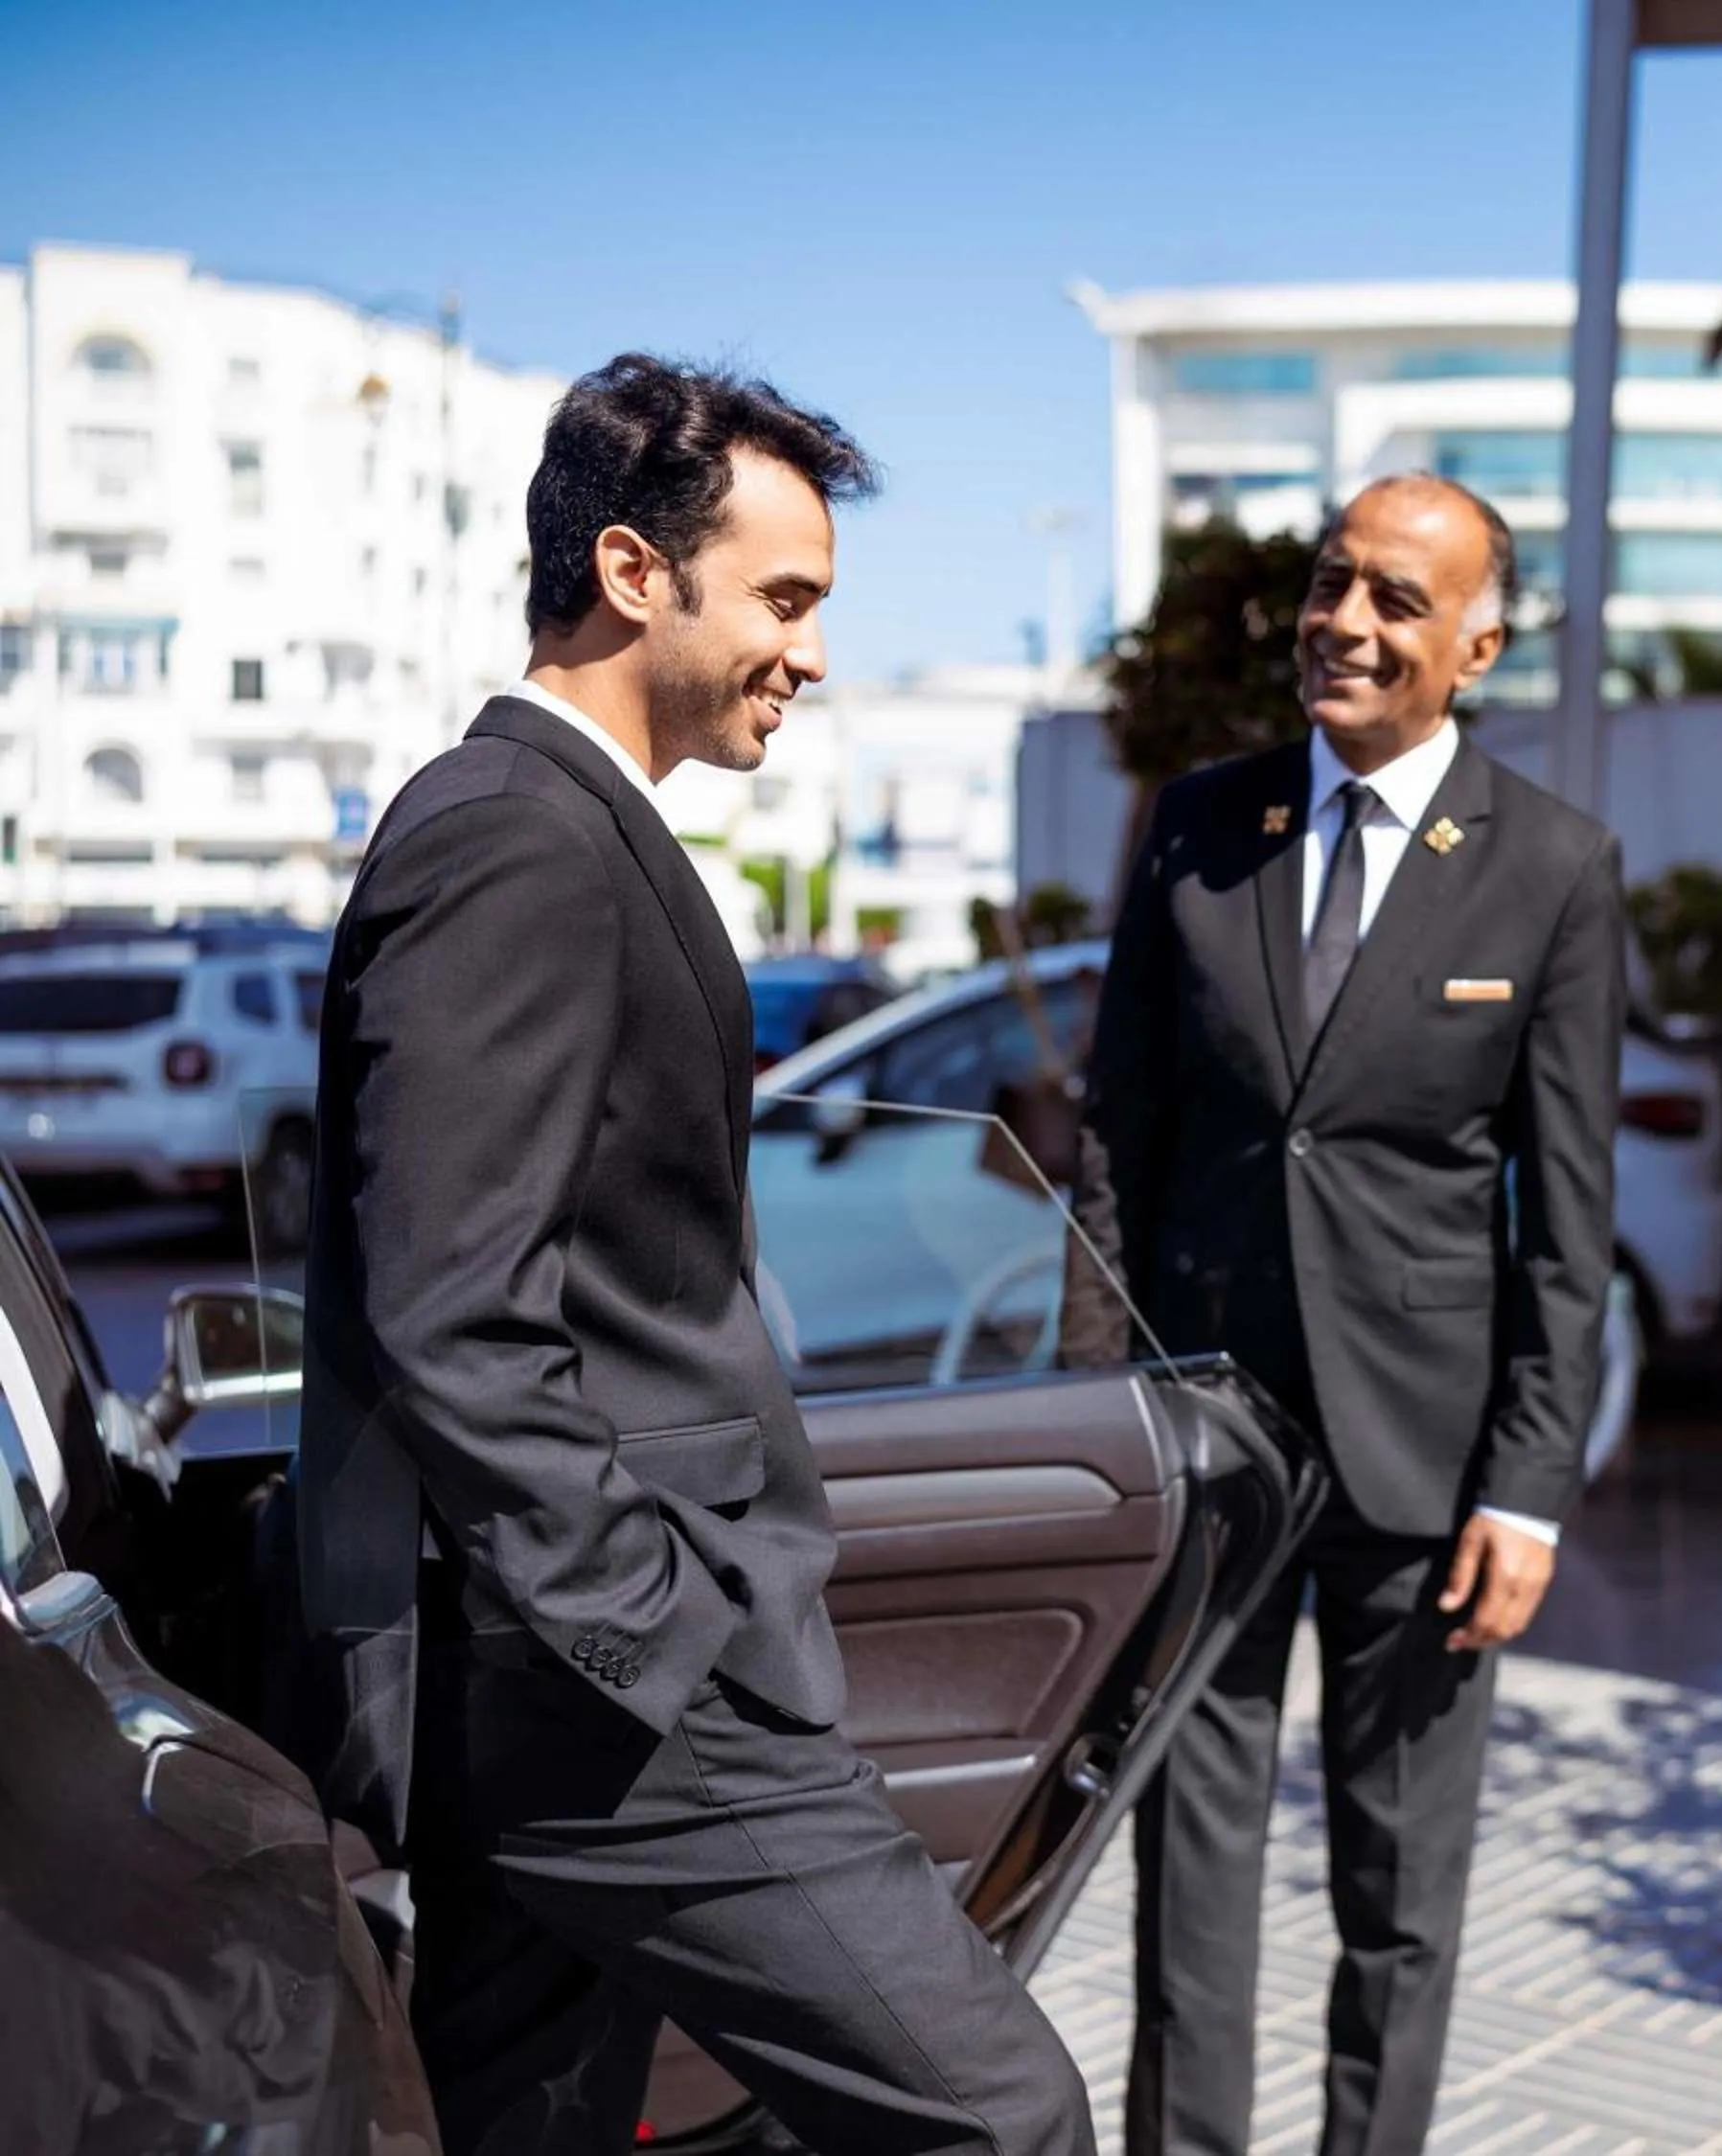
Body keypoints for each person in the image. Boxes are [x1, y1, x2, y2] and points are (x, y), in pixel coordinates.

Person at [291, 354, 1093, 2156]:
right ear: (637, 571)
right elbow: (453, 1306)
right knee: (1004, 2112)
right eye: (786, 599)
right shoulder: (516, 835)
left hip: (560, 1674)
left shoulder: (560, 825)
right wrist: (650, 1633)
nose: (810, 653)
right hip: (604, 1697)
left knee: (527, 2127)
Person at [1077, 473, 1625, 2154]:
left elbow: (1568, 1222)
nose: (1349, 625)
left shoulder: (1553, 869)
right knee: (1191, 1874)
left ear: (1477, 641)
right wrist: (1107, 1427)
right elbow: (1117, 1145)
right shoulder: (1195, 824)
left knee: (1402, 1890)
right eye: (1333, 586)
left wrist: (1527, 1485)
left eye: (1397, 600)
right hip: (1211, 1443)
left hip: (1429, 1467)